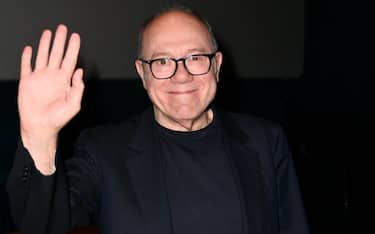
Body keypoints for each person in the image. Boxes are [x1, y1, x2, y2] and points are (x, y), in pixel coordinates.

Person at [7, 6, 309, 234]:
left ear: (216, 65)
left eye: (195, 58)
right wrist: (40, 141)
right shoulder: (104, 151)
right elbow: (41, 224)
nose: (181, 75)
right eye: (162, 61)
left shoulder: (266, 140)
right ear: (142, 73)